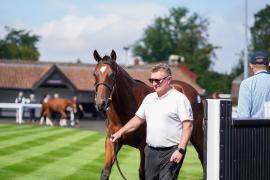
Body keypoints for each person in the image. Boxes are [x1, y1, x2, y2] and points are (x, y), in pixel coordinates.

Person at [111, 63, 193, 180]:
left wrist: (180, 150)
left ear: (168, 79)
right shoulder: (149, 98)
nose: (154, 84)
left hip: (171, 152)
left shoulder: (179, 99)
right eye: (151, 80)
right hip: (150, 152)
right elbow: (137, 119)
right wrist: (120, 132)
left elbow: (188, 126)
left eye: (158, 80)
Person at [238, 51, 270, 118]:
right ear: (268, 64)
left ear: (251, 65)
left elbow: (243, 116)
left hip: (255, 127)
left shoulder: (246, 84)